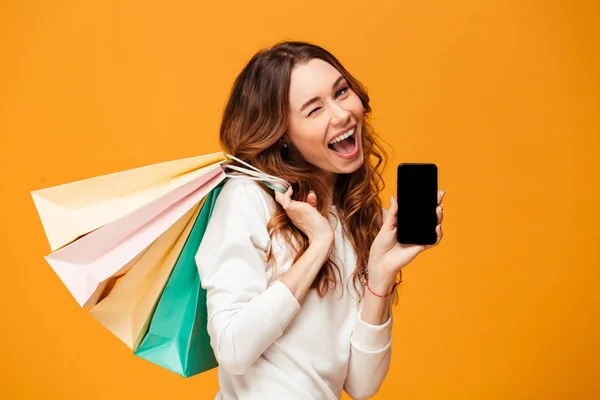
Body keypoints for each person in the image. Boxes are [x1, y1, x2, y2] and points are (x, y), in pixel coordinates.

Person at [194, 41, 446, 400]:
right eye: (314, 110)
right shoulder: (249, 197)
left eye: (341, 92)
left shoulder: (359, 215)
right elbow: (233, 350)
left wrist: (380, 274)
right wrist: (318, 246)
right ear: (282, 134)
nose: (341, 114)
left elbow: (362, 385)